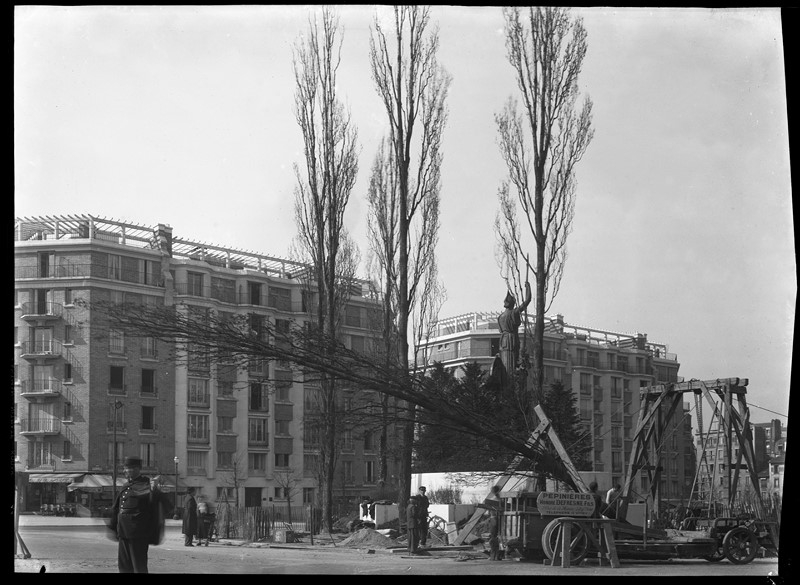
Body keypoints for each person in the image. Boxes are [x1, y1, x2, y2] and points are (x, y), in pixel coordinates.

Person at [107, 456, 167, 573]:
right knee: (124, 566)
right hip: (123, 532)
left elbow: (157, 506)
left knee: (138, 566)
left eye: (127, 468)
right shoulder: (125, 486)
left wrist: (155, 491)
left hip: (138, 533)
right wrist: (113, 525)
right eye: (124, 468)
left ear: (137, 469)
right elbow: (116, 508)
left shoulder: (146, 485)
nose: (124, 471)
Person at [491, 281, 532, 388]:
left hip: (503, 341)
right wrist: (528, 288)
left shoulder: (500, 317)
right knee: (512, 365)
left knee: (507, 365)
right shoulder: (514, 312)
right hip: (512, 339)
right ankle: (510, 387)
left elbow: (501, 330)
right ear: (512, 303)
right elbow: (527, 301)